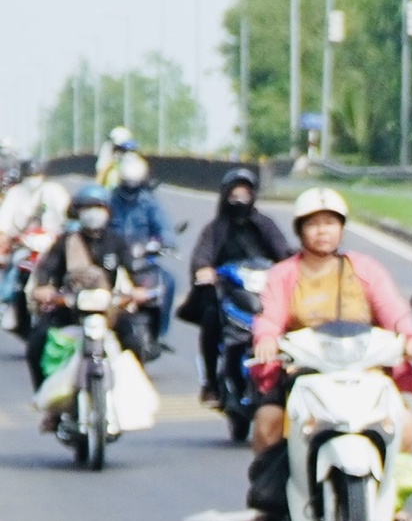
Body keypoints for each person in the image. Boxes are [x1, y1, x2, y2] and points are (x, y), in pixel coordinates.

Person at [242, 188, 412, 521]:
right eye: (313, 224)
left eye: (329, 223)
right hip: (303, 373)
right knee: (267, 422)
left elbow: (394, 310)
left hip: (364, 371)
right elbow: (270, 317)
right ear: (300, 231)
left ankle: (394, 505)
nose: (322, 231)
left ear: (341, 229)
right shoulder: (284, 274)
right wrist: (266, 340)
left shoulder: (366, 269)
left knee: (404, 425)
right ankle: (270, 506)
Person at [24, 185, 147, 419]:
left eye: (98, 207)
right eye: (87, 208)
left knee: (135, 337)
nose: (92, 213)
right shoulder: (65, 242)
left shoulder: (117, 242)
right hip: (70, 309)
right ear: (77, 213)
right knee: (37, 343)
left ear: (107, 212)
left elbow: (134, 270)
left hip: (108, 311)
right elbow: (47, 268)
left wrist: (139, 289)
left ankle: (127, 395)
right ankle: (48, 407)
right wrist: (44, 288)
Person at [180, 166, 290, 405]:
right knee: (210, 318)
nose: (239, 200)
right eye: (234, 194)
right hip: (228, 292)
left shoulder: (265, 224)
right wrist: (204, 270)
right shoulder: (215, 228)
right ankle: (210, 382)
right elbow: (202, 256)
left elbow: (283, 251)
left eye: (244, 194)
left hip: (262, 292)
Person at [109, 152, 177, 344]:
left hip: (142, 261)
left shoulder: (149, 203)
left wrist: (164, 243)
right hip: (113, 260)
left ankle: (159, 333)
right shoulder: (109, 201)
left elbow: (165, 230)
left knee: (168, 283)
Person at [0, 160, 68, 253]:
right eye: (29, 176)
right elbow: (4, 221)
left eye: (36, 175)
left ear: (42, 175)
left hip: (53, 242)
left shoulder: (54, 190)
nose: (32, 179)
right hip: (23, 244)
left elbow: (67, 214)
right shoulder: (15, 192)